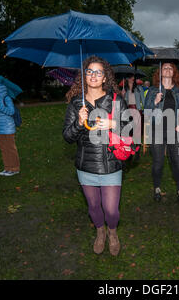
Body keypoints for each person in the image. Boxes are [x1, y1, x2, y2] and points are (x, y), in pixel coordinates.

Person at [63, 55, 127, 256]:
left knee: (111, 211)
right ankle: (100, 232)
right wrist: (79, 123)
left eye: (98, 72)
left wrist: (113, 124)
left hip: (110, 164)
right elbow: (67, 137)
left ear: (105, 77)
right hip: (85, 165)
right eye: (89, 71)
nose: (93, 75)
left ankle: (112, 232)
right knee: (93, 207)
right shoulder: (76, 104)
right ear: (84, 76)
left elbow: (131, 129)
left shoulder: (115, 100)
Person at [144, 63, 179, 204]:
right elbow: (146, 112)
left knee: (177, 162)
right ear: (160, 72)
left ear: (174, 72)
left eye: (170, 68)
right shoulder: (152, 90)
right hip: (157, 130)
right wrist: (155, 101)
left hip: (174, 131)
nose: (168, 69)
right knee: (158, 163)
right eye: (165, 68)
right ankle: (157, 188)